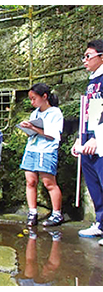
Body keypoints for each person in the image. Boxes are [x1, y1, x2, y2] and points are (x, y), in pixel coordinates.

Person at [19, 83, 64, 227]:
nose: (32, 102)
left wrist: (33, 127)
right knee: (30, 181)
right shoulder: (35, 113)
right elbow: (33, 133)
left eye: (34, 98)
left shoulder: (55, 113)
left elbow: (52, 135)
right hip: (32, 149)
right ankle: (32, 212)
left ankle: (57, 213)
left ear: (44, 96)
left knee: (49, 183)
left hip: (47, 150)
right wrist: (27, 129)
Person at [72, 40, 103, 244]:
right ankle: (101, 223)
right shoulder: (92, 81)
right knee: (93, 184)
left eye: (88, 56)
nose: (85, 61)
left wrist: (97, 137)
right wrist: (80, 138)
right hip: (88, 136)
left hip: (99, 137)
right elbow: (89, 111)